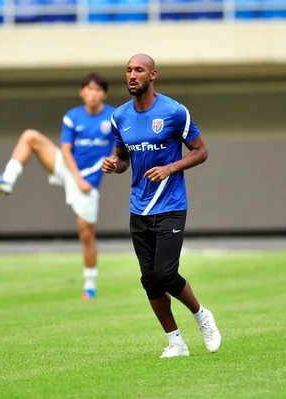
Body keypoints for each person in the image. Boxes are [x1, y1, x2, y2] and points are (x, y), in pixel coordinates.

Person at [102, 54, 221, 358]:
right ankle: (176, 343)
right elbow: (124, 160)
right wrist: (114, 164)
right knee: (149, 280)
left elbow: (201, 151)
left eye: (138, 70)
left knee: (166, 274)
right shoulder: (119, 117)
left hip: (171, 205)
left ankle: (201, 315)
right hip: (138, 208)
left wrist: (170, 168)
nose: (132, 75)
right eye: (128, 70)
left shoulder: (174, 112)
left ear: (152, 75)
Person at [0, 72, 115, 300]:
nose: (93, 94)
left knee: (86, 233)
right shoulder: (73, 116)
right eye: (89, 89)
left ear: (104, 94)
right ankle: (7, 180)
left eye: (98, 90)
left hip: (89, 180)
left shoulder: (113, 117)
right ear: (82, 91)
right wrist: (76, 176)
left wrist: (110, 163)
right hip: (68, 169)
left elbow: (122, 145)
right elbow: (65, 148)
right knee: (30, 136)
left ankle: (89, 285)